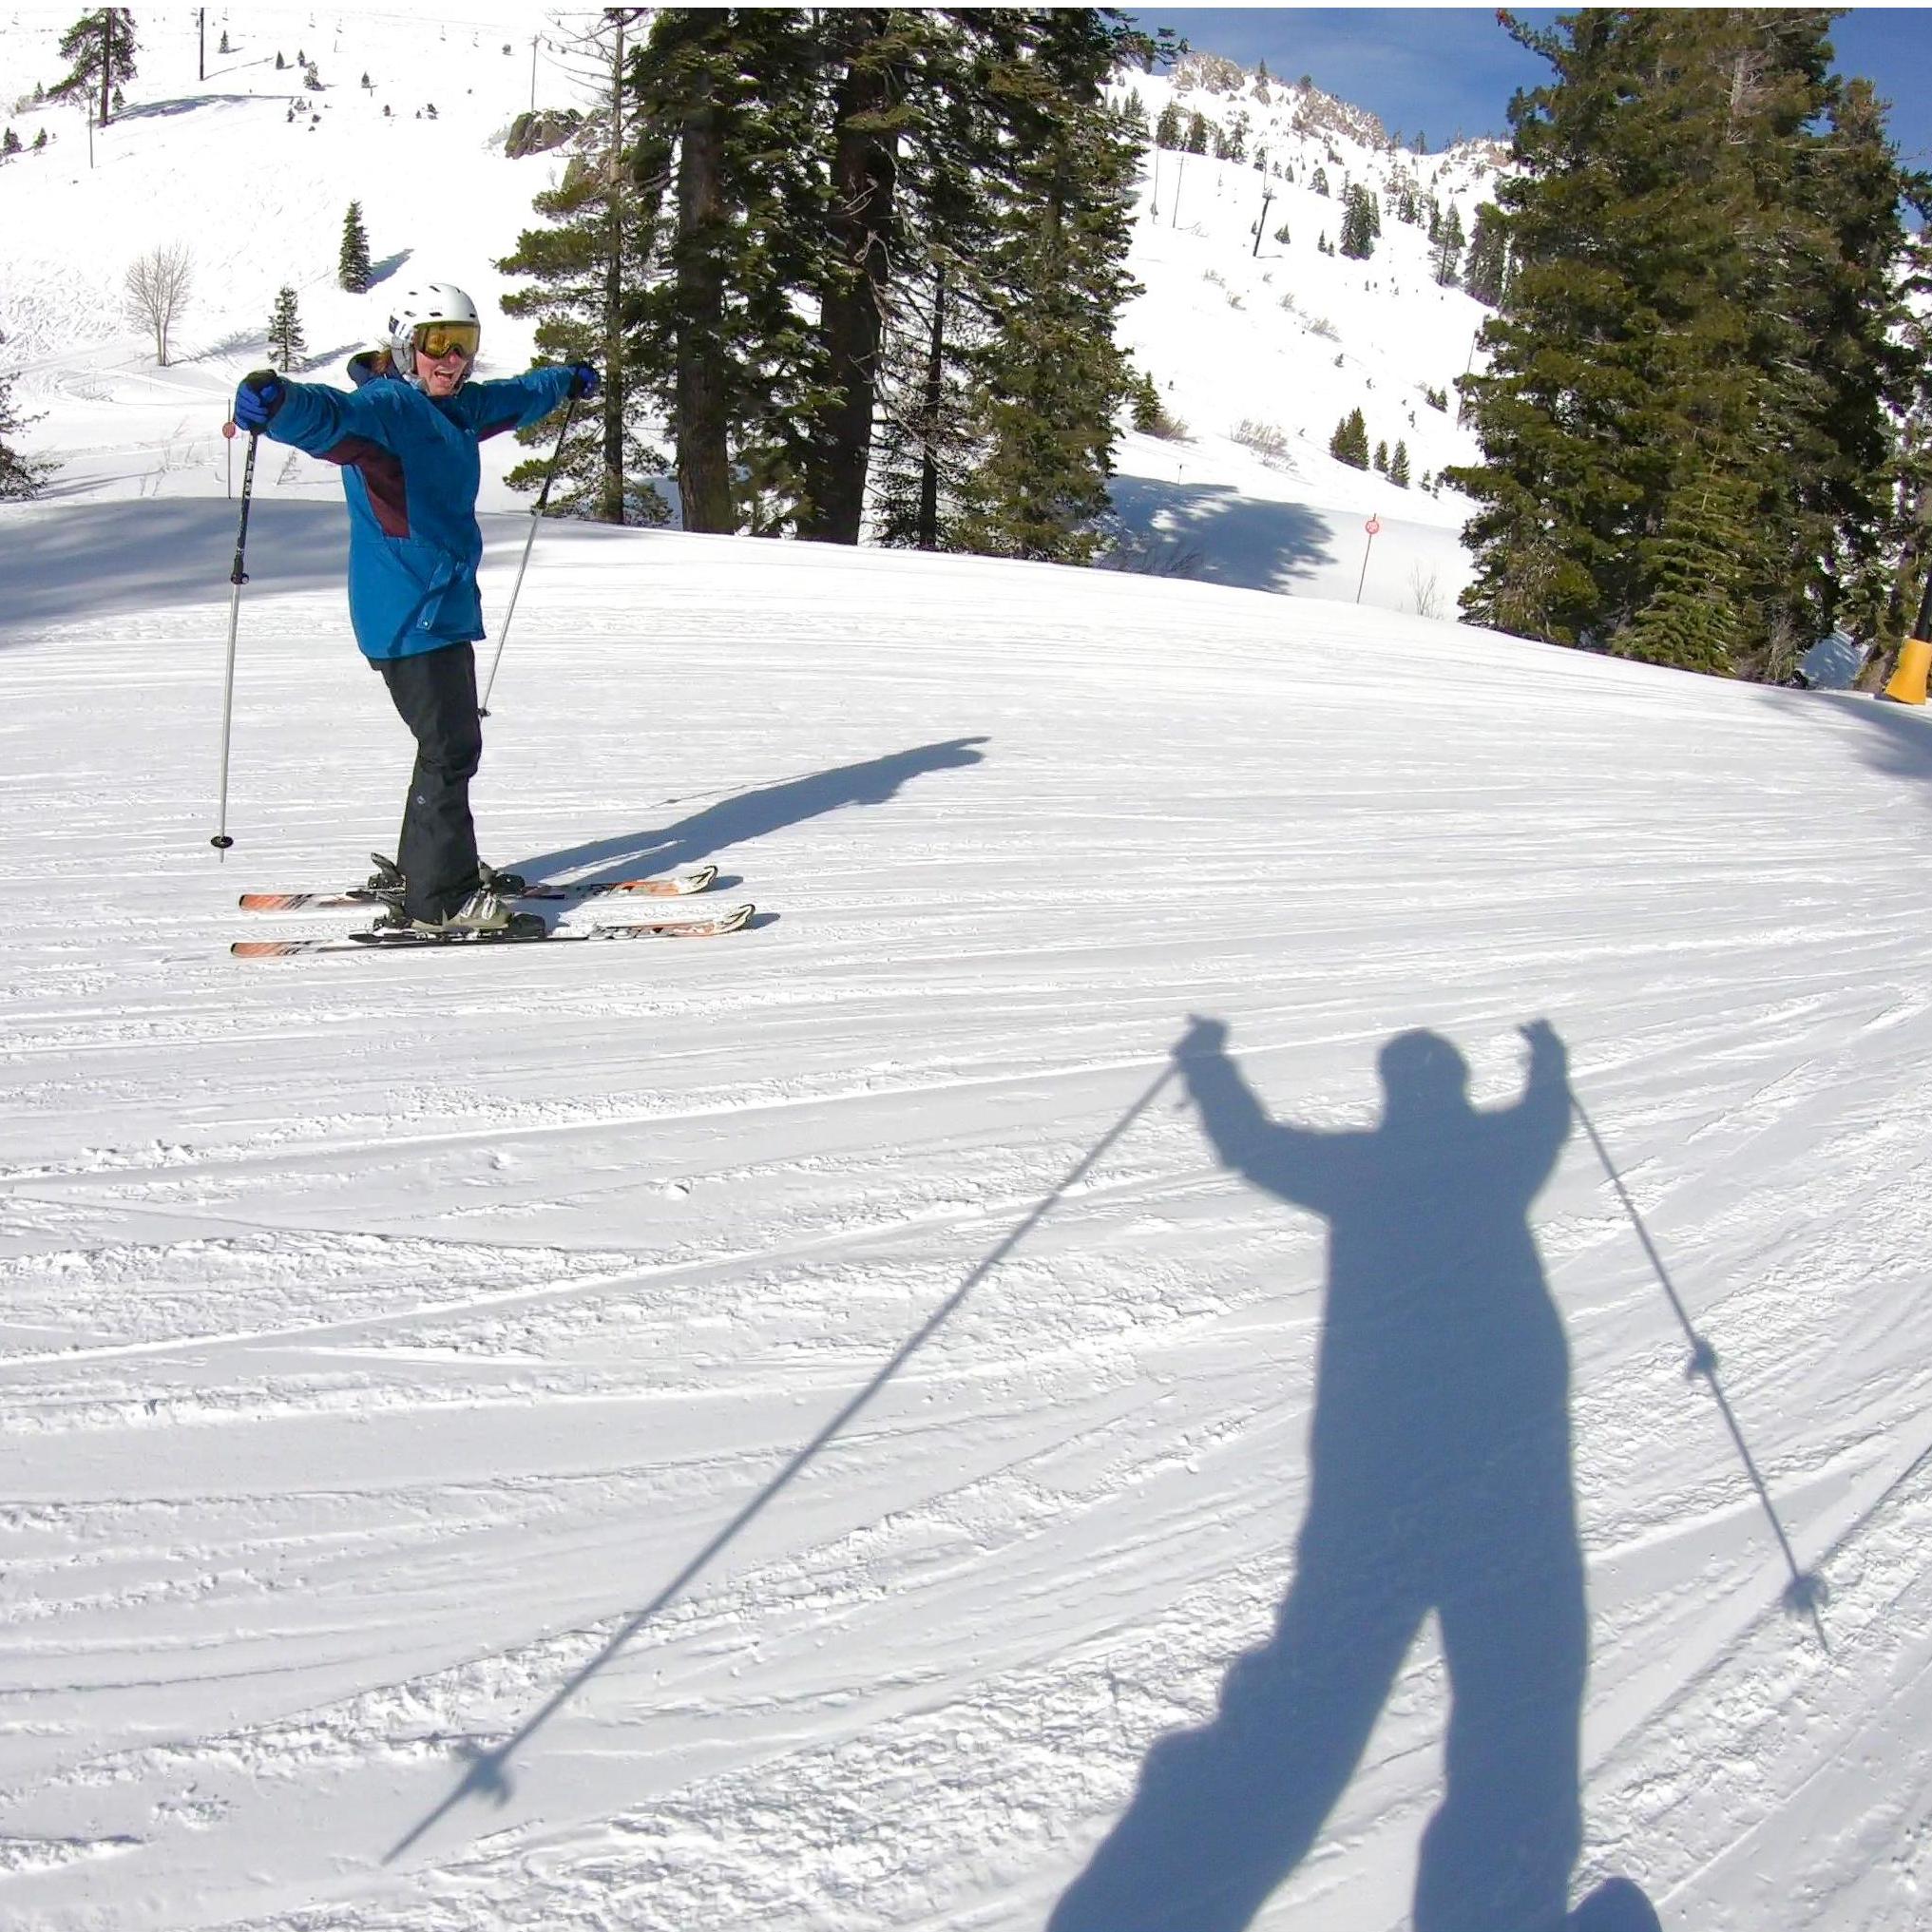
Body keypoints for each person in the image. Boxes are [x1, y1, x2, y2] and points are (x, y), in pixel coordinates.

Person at [232, 282, 598, 933]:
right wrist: (278, 402)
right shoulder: (387, 411)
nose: (451, 359)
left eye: (464, 344)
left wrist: (564, 380)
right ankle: (440, 898)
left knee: (445, 744)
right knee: (451, 746)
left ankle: (428, 865)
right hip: (406, 612)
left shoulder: (458, 407)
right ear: (405, 346)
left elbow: (515, 397)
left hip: (444, 604)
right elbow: (329, 417)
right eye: (437, 344)